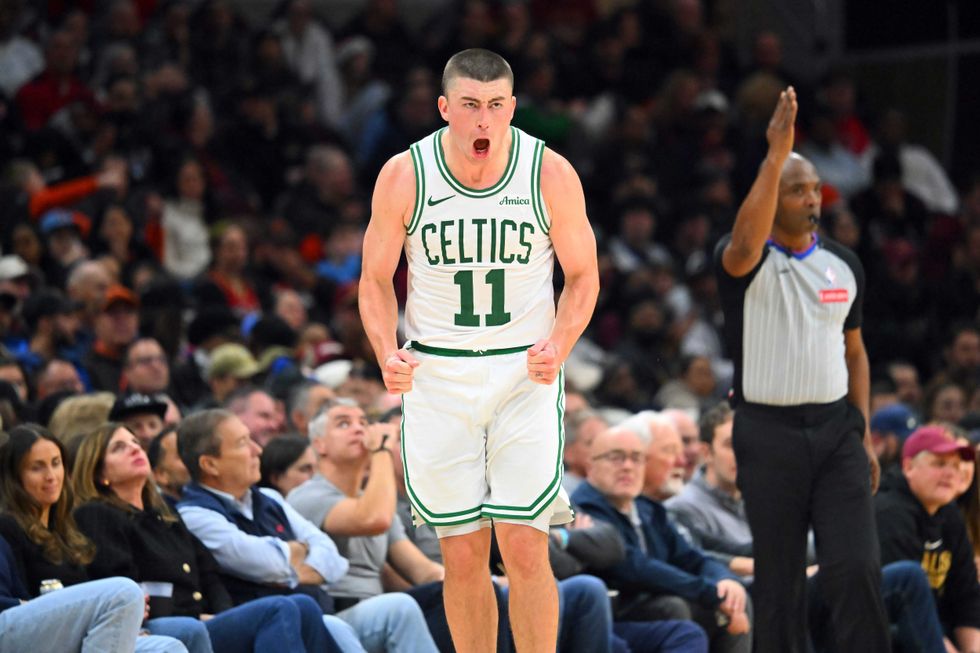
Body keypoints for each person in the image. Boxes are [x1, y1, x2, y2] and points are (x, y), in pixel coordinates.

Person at [359, 47, 599, 652]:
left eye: (496, 106)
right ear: (445, 108)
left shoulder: (550, 172)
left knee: (524, 541)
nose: (484, 121)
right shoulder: (404, 174)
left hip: (525, 372)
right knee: (462, 553)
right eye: (470, 105)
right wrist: (386, 350)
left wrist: (560, 343)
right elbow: (374, 278)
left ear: (513, 108)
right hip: (437, 375)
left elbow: (584, 276)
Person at [714, 86, 889, 652]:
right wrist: (775, 155)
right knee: (779, 577)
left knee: (855, 567)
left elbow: (855, 351)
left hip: (837, 430)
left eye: (814, 188)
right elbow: (745, 239)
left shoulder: (845, 264)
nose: (811, 198)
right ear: (770, 197)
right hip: (767, 433)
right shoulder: (744, 259)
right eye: (796, 190)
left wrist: (860, 430)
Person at [174, 408, 437, 651]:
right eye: (243, 443)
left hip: (316, 610)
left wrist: (289, 560)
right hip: (290, 617)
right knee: (389, 610)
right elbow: (266, 563)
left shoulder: (268, 498)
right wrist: (381, 451)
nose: (257, 449)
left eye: (364, 422)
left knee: (440, 593)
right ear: (210, 464)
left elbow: (333, 560)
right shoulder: (196, 513)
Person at [71, 422, 340, 653]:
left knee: (303, 605)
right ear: (99, 473)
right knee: (278, 609)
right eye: (119, 447)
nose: (134, 448)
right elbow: (122, 585)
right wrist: (196, 615)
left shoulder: (166, 515)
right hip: (153, 625)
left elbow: (209, 574)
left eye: (135, 442)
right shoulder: (97, 514)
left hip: (198, 619)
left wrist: (222, 614)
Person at [0, 424, 205, 652]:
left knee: (168, 646)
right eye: (37, 468)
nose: (51, 476)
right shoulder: (7, 526)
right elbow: (15, 603)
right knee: (125, 592)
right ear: (13, 478)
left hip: (72, 632)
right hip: (28, 633)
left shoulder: (67, 531)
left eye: (56, 463)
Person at [571, 423, 751, 652]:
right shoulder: (583, 508)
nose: (627, 466)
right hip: (614, 615)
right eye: (615, 457)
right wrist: (711, 593)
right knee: (673, 607)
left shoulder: (648, 509)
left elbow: (691, 557)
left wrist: (724, 580)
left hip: (653, 605)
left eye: (636, 458)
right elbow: (636, 568)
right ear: (590, 466)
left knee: (737, 598)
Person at [875, 426, 980, 652]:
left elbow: (967, 599)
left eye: (955, 465)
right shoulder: (889, 512)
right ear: (908, 466)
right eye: (939, 464)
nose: (951, 473)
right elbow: (907, 611)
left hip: (933, 629)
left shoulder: (948, 513)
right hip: (884, 631)